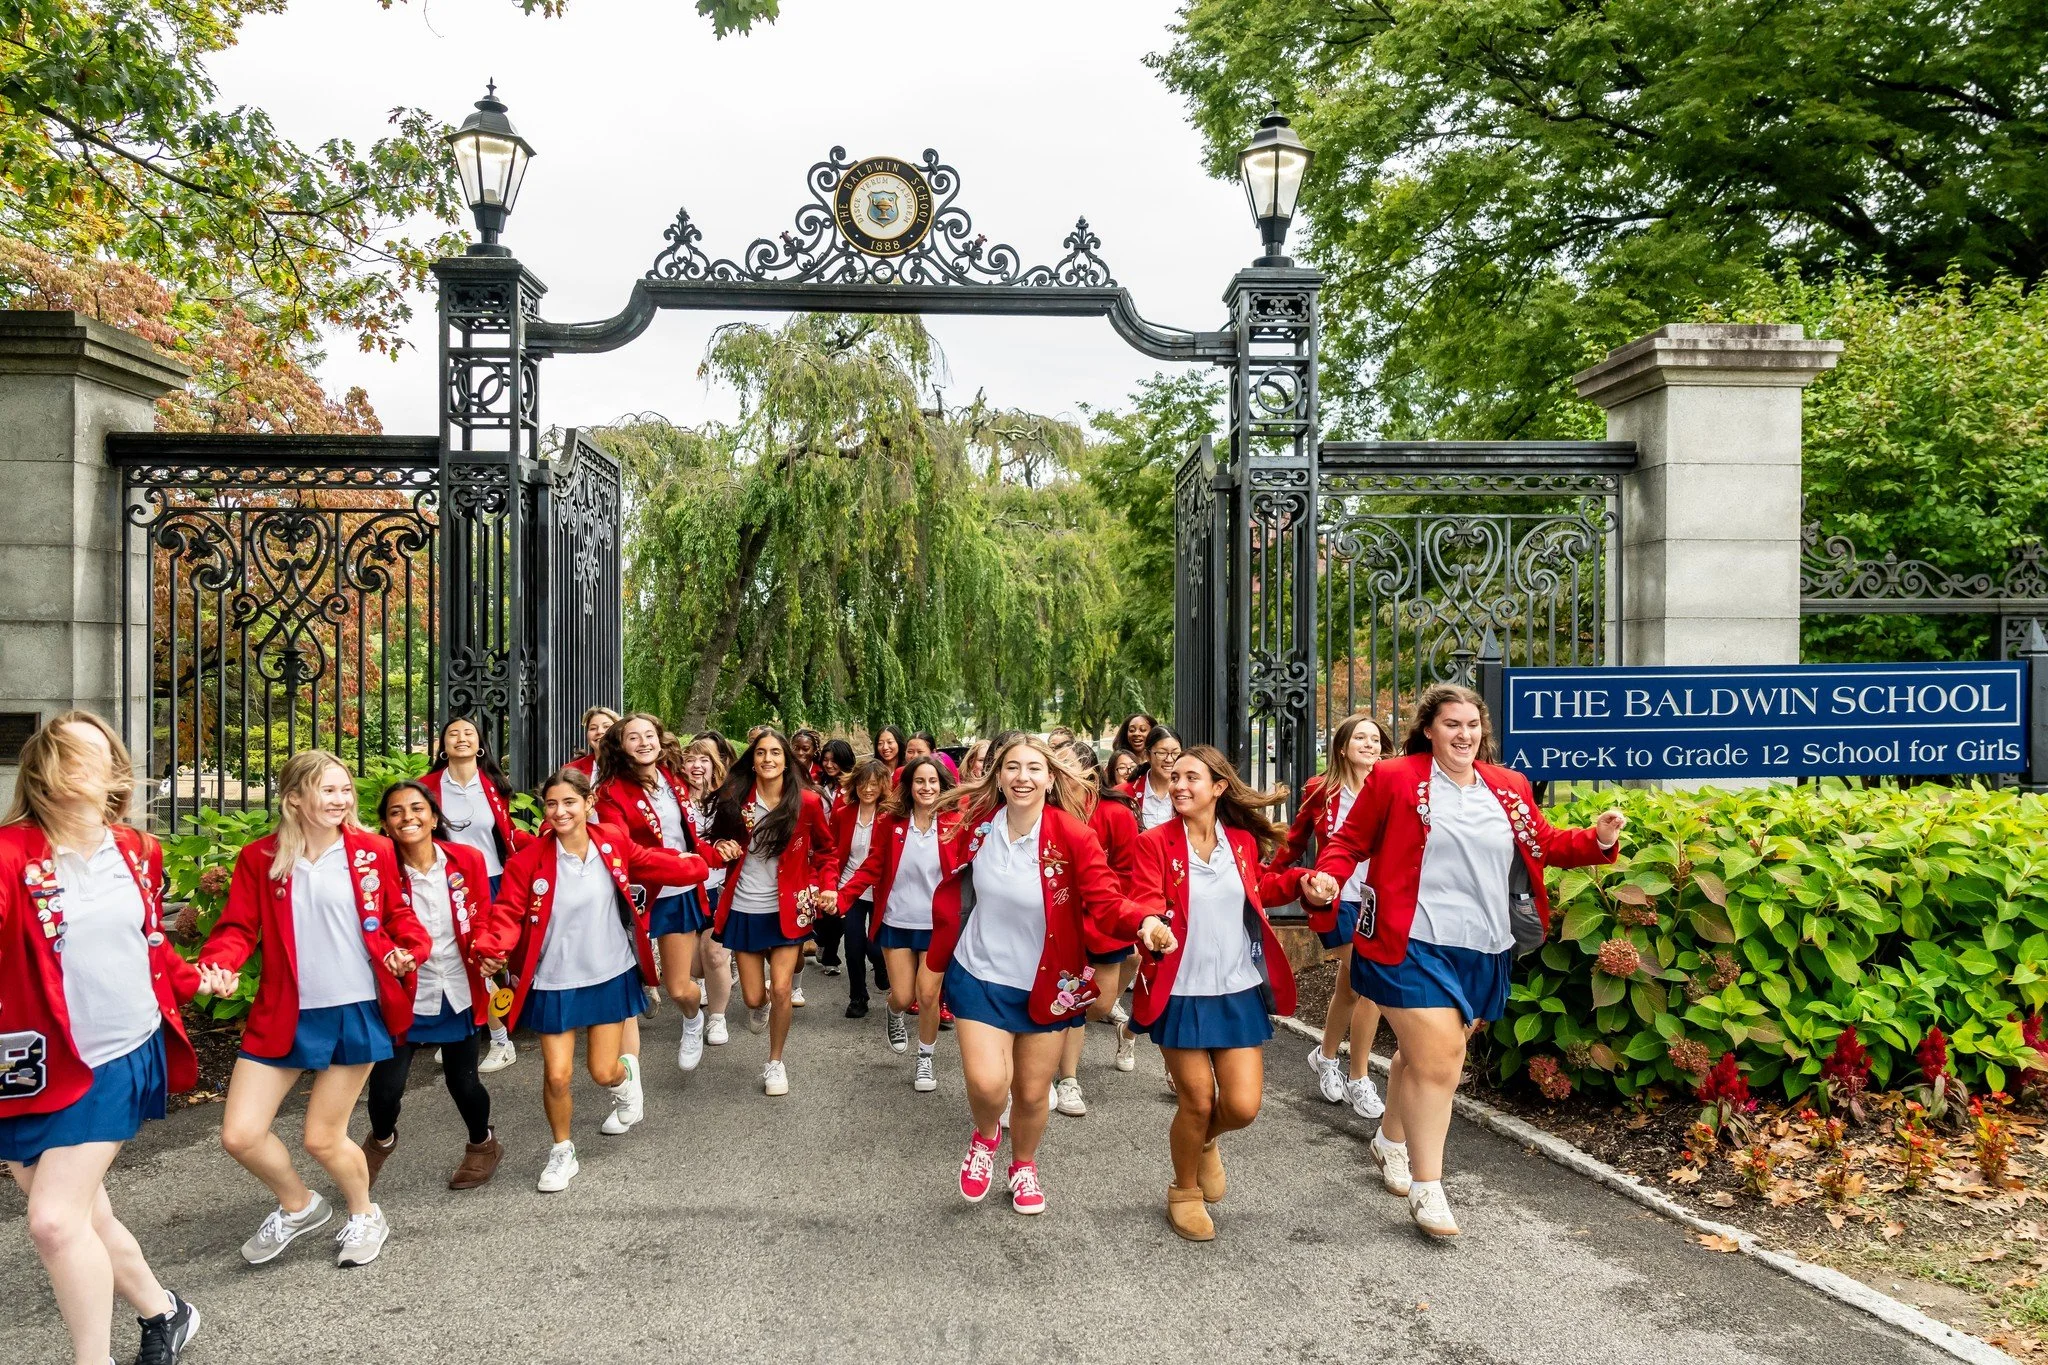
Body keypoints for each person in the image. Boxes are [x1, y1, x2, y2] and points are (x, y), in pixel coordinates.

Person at [1316, 683, 1626, 1237]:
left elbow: (1544, 844)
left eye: (1472, 725)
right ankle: (1429, 1187)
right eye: (1452, 724)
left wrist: (1597, 840)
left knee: (1421, 1056)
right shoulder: (1394, 778)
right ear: (1429, 729)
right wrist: (1328, 879)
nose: (1464, 734)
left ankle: (1390, 1141)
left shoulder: (1508, 786)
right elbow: (1349, 843)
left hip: (1483, 944)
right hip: (1408, 939)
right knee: (1441, 1056)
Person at [0, 712, 204, 1365]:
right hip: (28, 1065)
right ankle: (165, 1311)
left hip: (116, 1054)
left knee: (54, 1222)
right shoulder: (9, 854)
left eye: (90, 754)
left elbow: (146, 942)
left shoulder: (137, 849)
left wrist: (195, 979)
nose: (75, 765)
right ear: (40, 769)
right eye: (61, 753)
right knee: (85, 1214)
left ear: (115, 771)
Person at [197, 749, 431, 1269]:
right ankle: (299, 1205)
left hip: (353, 1009)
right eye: (328, 790)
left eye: (345, 789)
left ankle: (365, 1213)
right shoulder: (261, 857)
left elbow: (398, 915)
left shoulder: (373, 850)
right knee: (239, 1135)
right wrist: (220, 964)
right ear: (295, 798)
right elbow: (237, 927)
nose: (341, 799)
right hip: (283, 1012)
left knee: (323, 1139)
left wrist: (406, 950)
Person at [928, 734, 1155, 1216]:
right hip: (979, 974)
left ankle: (1023, 1166)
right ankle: (985, 1137)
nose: (1022, 777)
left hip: (1050, 983)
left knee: (1032, 1094)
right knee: (988, 1084)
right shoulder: (979, 825)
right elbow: (951, 883)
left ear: (1050, 779)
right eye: (1012, 767)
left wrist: (1144, 922)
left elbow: (1106, 899)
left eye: (1034, 768)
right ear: (998, 777)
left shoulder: (1072, 835)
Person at [1129, 745, 1336, 1240]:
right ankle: (1183, 1191)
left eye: (1191, 778)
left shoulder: (1240, 841)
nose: (1179, 785)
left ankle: (1203, 1143)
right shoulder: (1154, 843)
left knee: (1242, 1107)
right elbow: (1143, 898)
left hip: (1237, 988)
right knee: (1197, 1101)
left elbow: (1261, 887)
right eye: (1175, 777)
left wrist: (1305, 882)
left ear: (1219, 787)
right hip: (1180, 991)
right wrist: (1151, 924)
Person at [474, 768, 706, 1193]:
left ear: (588, 804)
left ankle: (625, 1078)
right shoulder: (528, 861)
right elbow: (506, 912)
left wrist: (697, 865)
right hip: (553, 981)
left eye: (569, 802)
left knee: (602, 1071)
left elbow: (650, 861)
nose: (559, 811)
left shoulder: (611, 841)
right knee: (557, 1076)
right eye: (551, 804)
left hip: (609, 973)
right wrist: (492, 948)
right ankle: (562, 1151)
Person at [359, 782, 502, 1192]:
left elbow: (484, 917)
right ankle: (380, 1141)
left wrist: (489, 952)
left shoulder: (467, 859)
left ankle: (483, 1143)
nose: (408, 817)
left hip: (456, 985)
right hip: (402, 992)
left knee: (464, 1081)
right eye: (396, 811)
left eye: (417, 808)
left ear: (434, 817)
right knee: (385, 1089)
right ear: (385, 824)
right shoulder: (375, 873)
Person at [702, 729, 838, 1098]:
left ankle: (775, 1062)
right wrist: (721, 845)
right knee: (752, 997)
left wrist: (827, 885)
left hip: (788, 910)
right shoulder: (734, 798)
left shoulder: (807, 802)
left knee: (781, 988)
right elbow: (712, 840)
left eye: (775, 752)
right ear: (753, 760)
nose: (768, 759)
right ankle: (760, 1006)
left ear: (786, 760)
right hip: (745, 908)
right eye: (761, 753)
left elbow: (827, 852)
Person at [1277, 714, 1395, 1119]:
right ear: (1342, 747)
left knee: (1350, 988)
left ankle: (1325, 1057)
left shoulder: (1392, 786)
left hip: (1377, 900)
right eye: (1360, 738)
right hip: (1337, 899)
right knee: (1372, 982)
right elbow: (1295, 842)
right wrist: (1264, 880)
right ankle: (1359, 1077)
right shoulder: (1321, 790)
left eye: (1375, 739)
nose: (1370, 744)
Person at [593, 713, 717, 1072]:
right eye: (634, 737)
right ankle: (625, 1075)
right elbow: (626, 851)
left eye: (650, 735)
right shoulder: (610, 792)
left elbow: (688, 834)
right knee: (632, 981)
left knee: (678, 988)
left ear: (660, 740)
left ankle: (693, 1020)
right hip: (636, 896)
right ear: (621, 745)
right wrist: (682, 864)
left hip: (678, 893)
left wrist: (712, 853)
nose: (644, 742)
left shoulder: (672, 778)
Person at [839, 756, 957, 1092]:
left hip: (937, 926)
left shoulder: (955, 824)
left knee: (929, 995)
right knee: (904, 997)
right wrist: (843, 897)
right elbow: (872, 866)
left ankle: (925, 1059)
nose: (927, 787)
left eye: (933, 781)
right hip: (897, 920)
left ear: (942, 785)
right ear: (909, 786)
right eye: (920, 781)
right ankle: (894, 1012)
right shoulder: (890, 822)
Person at [421, 717, 530, 1076]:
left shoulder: (495, 786)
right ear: (443, 746)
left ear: (480, 744)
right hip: (449, 885)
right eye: (453, 733)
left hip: (493, 883)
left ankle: (500, 1041)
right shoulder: (426, 787)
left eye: (469, 733)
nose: (461, 738)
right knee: (455, 959)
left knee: (488, 960)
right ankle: (463, 1032)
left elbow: (506, 834)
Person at [1052, 740, 1142, 1117]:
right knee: (1068, 1000)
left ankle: (1053, 1043)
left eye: (1066, 766)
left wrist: (1098, 893)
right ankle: (1066, 1078)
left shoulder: (1115, 813)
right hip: (1059, 921)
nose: (1058, 772)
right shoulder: (1047, 810)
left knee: (1100, 1003)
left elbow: (1128, 871)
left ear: (1089, 774)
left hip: (1102, 919)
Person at [679, 739, 736, 1045]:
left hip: (719, 887)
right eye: (690, 760)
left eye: (704, 760)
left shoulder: (726, 800)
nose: (697, 766)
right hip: (683, 890)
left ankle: (717, 1018)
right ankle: (699, 1002)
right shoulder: (672, 801)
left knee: (714, 955)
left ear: (715, 766)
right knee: (693, 965)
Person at [827, 758, 890, 1018]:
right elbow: (832, 852)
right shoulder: (843, 813)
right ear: (855, 785)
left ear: (883, 786)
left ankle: (882, 967)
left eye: (874, 784)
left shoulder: (890, 815)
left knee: (875, 947)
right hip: (849, 888)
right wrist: (830, 885)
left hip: (879, 889)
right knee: (853, 946)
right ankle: (858, 997)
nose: (868, 789)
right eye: (863, 783)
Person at [1122, 724, 1183, 832]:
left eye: (1175, 753)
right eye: (1162, 753)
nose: (1169, 759)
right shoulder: (1124, 794)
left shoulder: (1188, 792)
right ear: (1147, 755)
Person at [565, 707, 620, 778]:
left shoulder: (630, 768)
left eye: (606, 726)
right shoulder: (570, 770)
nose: (599, 731)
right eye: (593, 728)